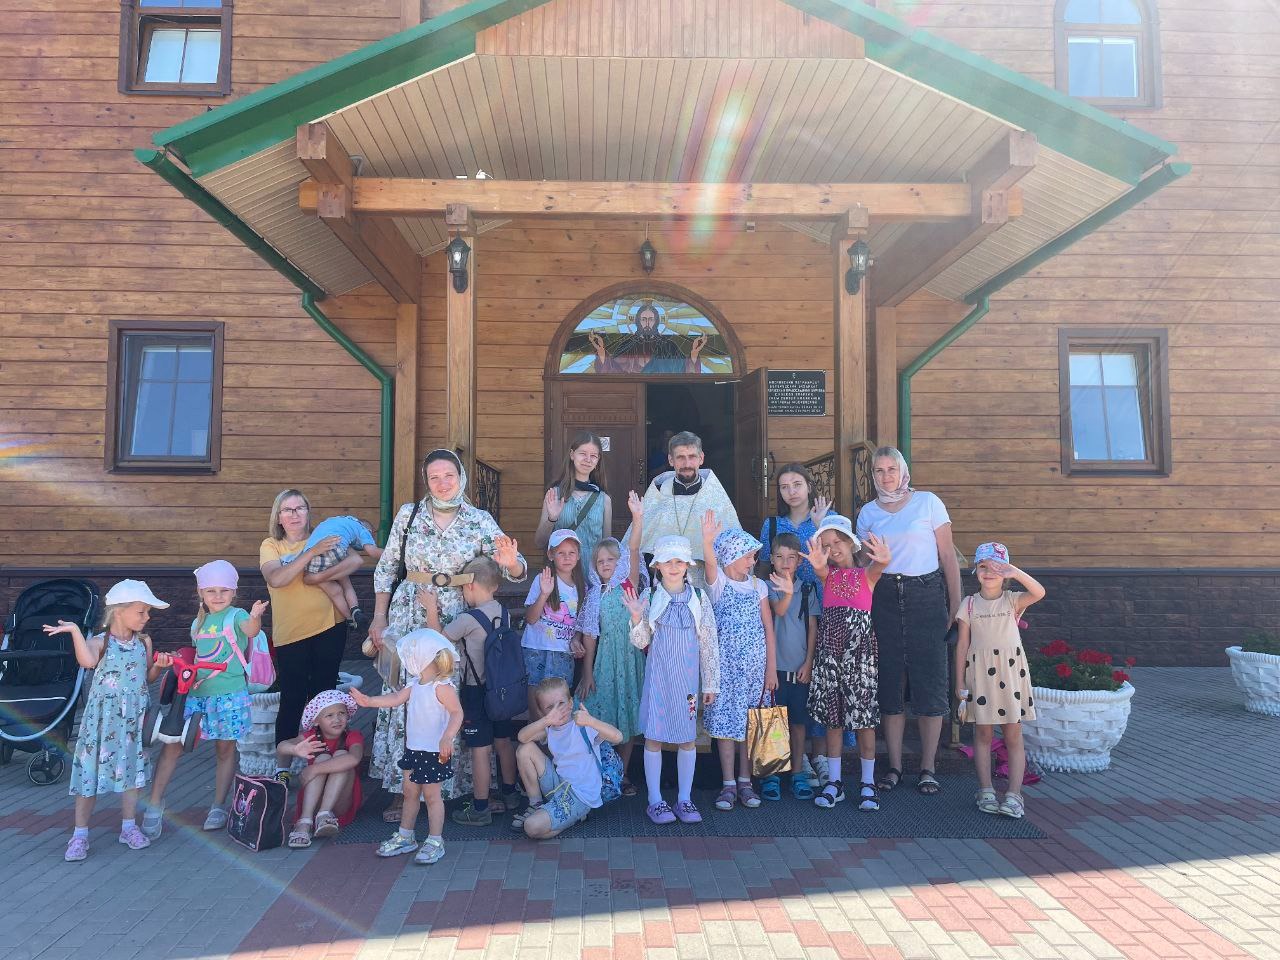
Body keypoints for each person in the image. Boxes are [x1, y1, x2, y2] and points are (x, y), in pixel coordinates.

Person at [367, 449, 526, 824]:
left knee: (451, 698)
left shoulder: (478, 519)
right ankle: (403, 787)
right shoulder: (409, 515)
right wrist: (379, 616)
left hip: (458, 617)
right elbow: (387, 568)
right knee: (408, 696)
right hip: (410, 614)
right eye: (434, 477)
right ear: (426, 480)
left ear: (461, 478)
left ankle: (457, 786)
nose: (442, 483)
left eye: (449, 475)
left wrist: (512, 564)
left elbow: (514, 567)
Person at [856, 446, 962, 798]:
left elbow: (947, 556)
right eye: (879, 470)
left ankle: (928, 767)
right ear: (873, 475)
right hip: (883, 597)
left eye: (892, 469)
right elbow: (863, 564)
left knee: (930, 681)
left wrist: (955, 604)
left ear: (903, 471)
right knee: (890, 684)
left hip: (926, 594)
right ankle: (895, 767)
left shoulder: (928, 503)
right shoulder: (868, 513)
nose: (886, 476)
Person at [45, 580, 173, 862]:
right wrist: (76, 632)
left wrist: (158, 667)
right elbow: (87, 662)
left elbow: (146, 678)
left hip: (133, 721)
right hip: (102, 723)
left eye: (147, 612)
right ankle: (80, 834)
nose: (146, 617)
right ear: (119, 611)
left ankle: (129, 827)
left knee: (132, 774)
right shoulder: (100, 642)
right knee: (89, 775)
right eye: (141, 611)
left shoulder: (143, 642)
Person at [144, 560, 266, 838]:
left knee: (225, 750)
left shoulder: (237, 615)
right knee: (172, 746)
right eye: (211, 590)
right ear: (201, 593)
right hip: (195, 696)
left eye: (224, 590)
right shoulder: (197, 623)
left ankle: (218, 806)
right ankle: (154, 804)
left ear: (234, 592)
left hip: (229, 696)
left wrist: (255, 616)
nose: (218, 596)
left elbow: (251, 630)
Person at [624, 535, 720, 825]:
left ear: (688, 565)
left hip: (687, 683)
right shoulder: (651, 596)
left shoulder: (699, 598)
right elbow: (640, 641)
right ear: (658, 566)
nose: (674, 567)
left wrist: (711, 682)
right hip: (658, 680)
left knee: (687, 739)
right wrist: (636, 618)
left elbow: (709, 643)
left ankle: (684, 798)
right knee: (653, 737)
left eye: (679, 561)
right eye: (668, 561)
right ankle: (655, 799)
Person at [420, 555, 521, 826]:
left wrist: (431, 608)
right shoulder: (503, 611)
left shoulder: (468, 618)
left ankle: (480, 808)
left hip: (477, 691)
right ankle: (510, 794)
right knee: (503, 741)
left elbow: (438, 638)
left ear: (470, 585)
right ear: (495, 586)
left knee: (481, 749)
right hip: (502, 690)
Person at [352, 629, 463, 866]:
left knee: (432, 797)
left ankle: (435, 840)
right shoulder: (415, 684)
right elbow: (395, 699)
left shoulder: (442, 687)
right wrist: (369, 701)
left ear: (424, 657)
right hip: (413, 750)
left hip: (434, 753)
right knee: (409, 793)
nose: (408, 658)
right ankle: (406, 836)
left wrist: (447, 737)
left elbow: (457, 713)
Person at [804, 517, 891, 811]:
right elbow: (819, 569)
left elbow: (880, 565)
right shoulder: (827, 576)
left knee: (864, 719)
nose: (833, 548)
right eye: (827, 545)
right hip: (831, 653)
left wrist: (883, 558)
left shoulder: (866, 575)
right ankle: (835, 782)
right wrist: (818, 563)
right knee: (834, 719)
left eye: (838, 541)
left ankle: (867, 782)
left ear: (851, 543)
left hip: (860, 655)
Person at [954, 542, 1045, 820]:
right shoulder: (969, 604)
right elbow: (962, 645)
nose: (989, 572)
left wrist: (1015, 571)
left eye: (996, 567)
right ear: (976, 571)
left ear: (1005, 573)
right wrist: (959, 682)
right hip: (980, 677)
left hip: (1010, 675)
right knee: (982, 734)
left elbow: (1039, 592)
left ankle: (1014, 795)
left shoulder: (1012, 600)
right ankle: (986, 790)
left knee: (1012, 734)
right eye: (983, 566)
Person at [260, 488, 353, 752]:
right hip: (291, 632)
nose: (294, 514)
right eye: (287, 510)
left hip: (329, 627)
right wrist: (311, 554)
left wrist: (321, 576)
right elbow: (276, 579)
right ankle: (284, 764)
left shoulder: (322, 538)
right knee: (293, 697)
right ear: (278, 517)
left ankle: (324, 757)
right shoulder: (271, 545)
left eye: (300, 508)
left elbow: (350, 568)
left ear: (308, 512)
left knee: (325, 698)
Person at [699, 517, 777, 811]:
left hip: (754, 672)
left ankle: (746, 781)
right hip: (725, 672)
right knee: (726, 726)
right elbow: (710, 563)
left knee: (748, 724)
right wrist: (708, 541)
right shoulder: (718, 583)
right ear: (732, 556)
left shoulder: (759, 586)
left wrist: (771, 668)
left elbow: (768, 628)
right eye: (748, 556)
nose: (752, 562)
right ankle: (728, 783)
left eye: (754, 556)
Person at [579, 491, 647, 796]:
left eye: (611, 559)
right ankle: (601, 770)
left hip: (631, 658)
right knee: (602, 712)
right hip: (606, 661)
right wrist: (587, 673)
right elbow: (590, 635)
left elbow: (633, 548)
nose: (606, 564)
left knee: (627, 715)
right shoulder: (594, 595)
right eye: (600, 561)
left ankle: (623, 773)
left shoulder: (627, 584)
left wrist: (637, 518)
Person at [511, 679, 624, 839]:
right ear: (542, 712)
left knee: (531, 827)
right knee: (524, 749)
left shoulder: (583, 725)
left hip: (579, 796)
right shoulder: (549, 729)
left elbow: (618, 737)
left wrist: (591, 721)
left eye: (561, 703)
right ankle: (536, 805)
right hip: (558, 785)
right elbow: (522, 737)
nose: (557, 710)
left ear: (571, 703)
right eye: (550, 707)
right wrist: (546, 721)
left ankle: (577, 816)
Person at [633, 431, 740, 587]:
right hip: (665, 582)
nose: (687, 464)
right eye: (680, 457)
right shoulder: (658, 494)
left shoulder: (715, 496)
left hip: (705, 582)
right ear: (671, 460)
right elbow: (638, 544)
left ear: (701, 458)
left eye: (692, 456)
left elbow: (733, 546)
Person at [764, 532, 820, 801]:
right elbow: (780, 610)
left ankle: (797, 772)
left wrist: (809, 662)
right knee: (774, 722)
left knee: (798, 724)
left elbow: (812, 628)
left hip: (799, 669)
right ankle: (773, 774)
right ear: (771, 559)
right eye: (779, 557)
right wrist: (786, 589)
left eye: (791, 558)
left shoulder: (807, 589)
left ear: (799, 561)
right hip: (773, 671)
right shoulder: (765, 587)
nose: (785, 563)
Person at [278, 690, 365, 848]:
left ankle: (324, 814)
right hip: (312, 804)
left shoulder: (353, 736)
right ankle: (305, 821)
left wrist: (315, 769)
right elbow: (281, 746)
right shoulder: (312, 736)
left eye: (341, 713)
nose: (337, 719)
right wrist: (294, 749)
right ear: (316, 721)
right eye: (329, 715)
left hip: (340, 803)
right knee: (323, 757)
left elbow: (354, 758)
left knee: (342, 756)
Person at [523, 529, 590, 718]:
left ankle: (557, 734)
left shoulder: (582, 586)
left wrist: (576, 639)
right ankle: (536, 731)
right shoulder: (542, 580)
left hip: (563, 651)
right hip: (537, 648)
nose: (567, 557)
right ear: (551, 555)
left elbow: (580, 622)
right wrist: (544, 594)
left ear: (578, 556)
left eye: (571, 553)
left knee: (560, 695)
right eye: (561, 553)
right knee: (536, 692)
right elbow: (531, 618)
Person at [279, 515, 383, 628]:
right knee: (346, 585)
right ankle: (355, 609)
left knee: (335, 591)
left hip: (312, 557)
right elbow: (372, 551)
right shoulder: (362, 529)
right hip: (335, 548)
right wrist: (392, 554)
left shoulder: (338, 521)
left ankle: (350, 617)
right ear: (369, 531)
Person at [536, 431, 612, 578]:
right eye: (582, 453)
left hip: (592, 577)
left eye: (593, 456)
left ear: (598, 460)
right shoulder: (554, 495)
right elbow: (540, 542)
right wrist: (552, 519)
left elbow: (606, 547)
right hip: (562, 577)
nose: (588, 459)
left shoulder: (604, 500)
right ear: (572, 455)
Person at [758, 462, 832, 592]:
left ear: (809, 487)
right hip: (785, 600)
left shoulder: (830, 518)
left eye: (797, 484)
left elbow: (841, 560)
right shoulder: (772, 525)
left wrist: (820, 526)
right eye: (784, 487)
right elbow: (764, 566)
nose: (791, 492)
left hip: (826, 596)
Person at [588, 300, 707, 374]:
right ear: (638, 321)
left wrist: (694, 353)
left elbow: (684, 372)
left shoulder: (669, 347)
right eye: (644, 319)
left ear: (656, 321)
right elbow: (613, 372)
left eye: (651, 319)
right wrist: (601, 351)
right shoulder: (627, 346)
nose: (647, 323)